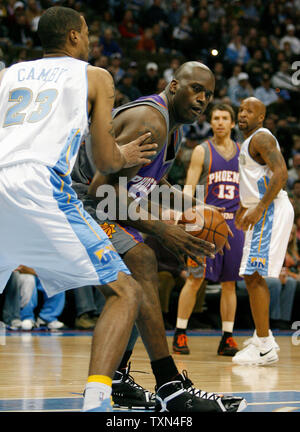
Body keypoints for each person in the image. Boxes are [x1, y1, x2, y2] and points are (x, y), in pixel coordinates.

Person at [0, 6, 161, 413]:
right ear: (73, 36)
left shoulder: (9, 74)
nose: (90, 40)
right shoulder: (94, 75)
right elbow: (105, 161)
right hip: (41, 184)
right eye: (87, 32)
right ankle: (97, 400)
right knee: (125, 291)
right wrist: (123, 153)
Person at [76, 61, 247, 412]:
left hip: (96, 203)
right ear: (173, 86)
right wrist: (165, 229)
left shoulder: (172, 129)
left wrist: (199, 210)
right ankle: (170, 387)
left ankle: (121, 378)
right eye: (195, 89)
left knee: (142, 266)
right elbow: (102, 190)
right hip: (76, 200)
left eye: (209, 94)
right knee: (143, 257)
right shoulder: (151, 120)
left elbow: (152, 186)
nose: (202, 99)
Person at [173, 103, 244, 356]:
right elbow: (190, 188)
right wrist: (186, 217)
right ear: (211, 122)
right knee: (194, 279)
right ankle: (180, 333)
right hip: (205, 225)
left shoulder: (242, 154)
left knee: (229, 284)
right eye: (216, 118)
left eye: (225, 118)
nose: (220, 122)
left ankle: (227, 337)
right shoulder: (202, 151)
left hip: (233, 227)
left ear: (232, 123)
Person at [232, 97, 294, 366]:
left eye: (250, 111)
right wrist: (244, 206)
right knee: (251, 275)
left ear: (261, 118)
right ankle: (261, 338)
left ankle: (265, 346)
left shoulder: (261, 138)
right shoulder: (248, 142)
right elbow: (255, 179)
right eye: (241, 109)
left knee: (253, 274)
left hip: (270, 209)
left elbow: (281, 174)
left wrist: (259, 208)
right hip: (261, 208)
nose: (243, 114)